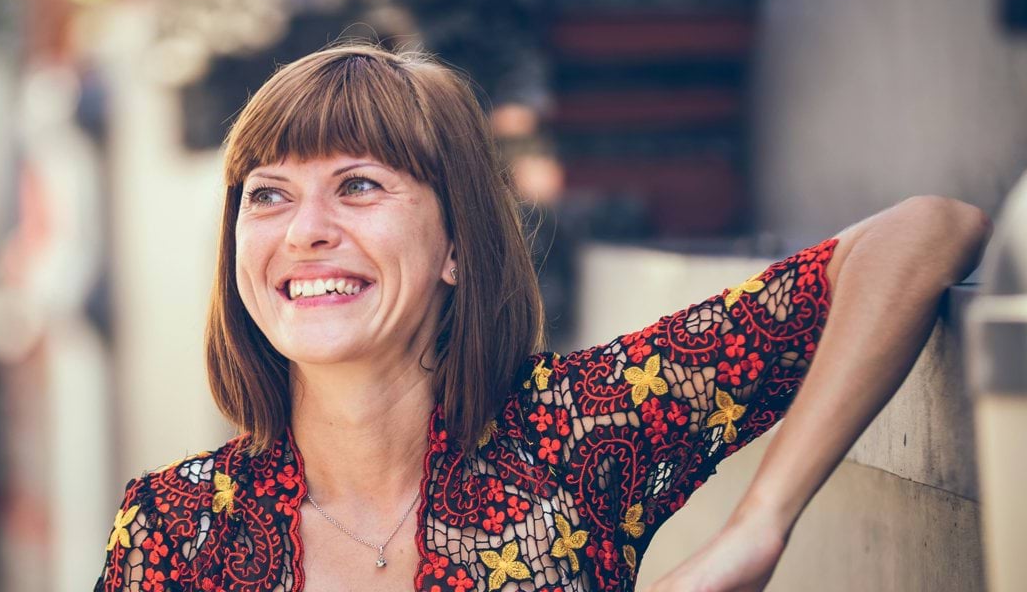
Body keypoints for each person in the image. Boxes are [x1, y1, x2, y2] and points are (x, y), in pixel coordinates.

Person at [94, 43, 991, 592]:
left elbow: (924, 234)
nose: (307, 232)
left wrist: (757, 527)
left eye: (359, 185)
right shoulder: (176, 530)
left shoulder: (577, 433)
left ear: (454, 244)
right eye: (268, 195)